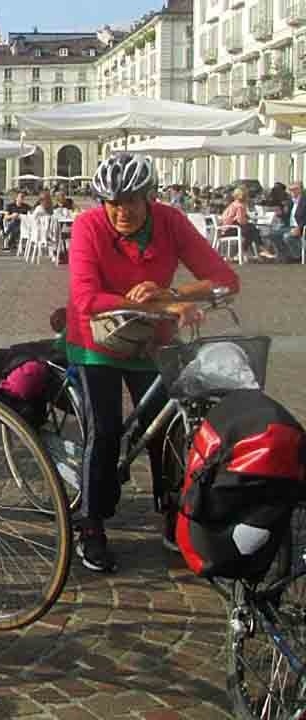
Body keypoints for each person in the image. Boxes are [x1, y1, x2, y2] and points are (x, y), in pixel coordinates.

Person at [66, 153, 240, 573]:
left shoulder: (170, 222)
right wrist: (147, 300)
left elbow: (224, 280)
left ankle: (172, 518)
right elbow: (86, 297)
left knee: (167, 432)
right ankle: (90, 524)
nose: (121, 210)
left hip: (152, 341)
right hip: (97, 341)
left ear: (148, 197)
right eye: (112, 202)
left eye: (131, 200)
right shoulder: (89, 226)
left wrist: (175, 296)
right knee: (104, 430)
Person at [220, 186, 272, 260]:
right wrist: (247, 220)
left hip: (225, 229)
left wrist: (246, 218)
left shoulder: (233, 204)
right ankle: (260, 249)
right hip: (231, 229)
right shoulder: (240, 206)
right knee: (252, 229)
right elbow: (241, 221)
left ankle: (242, 253)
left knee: (251, 232)